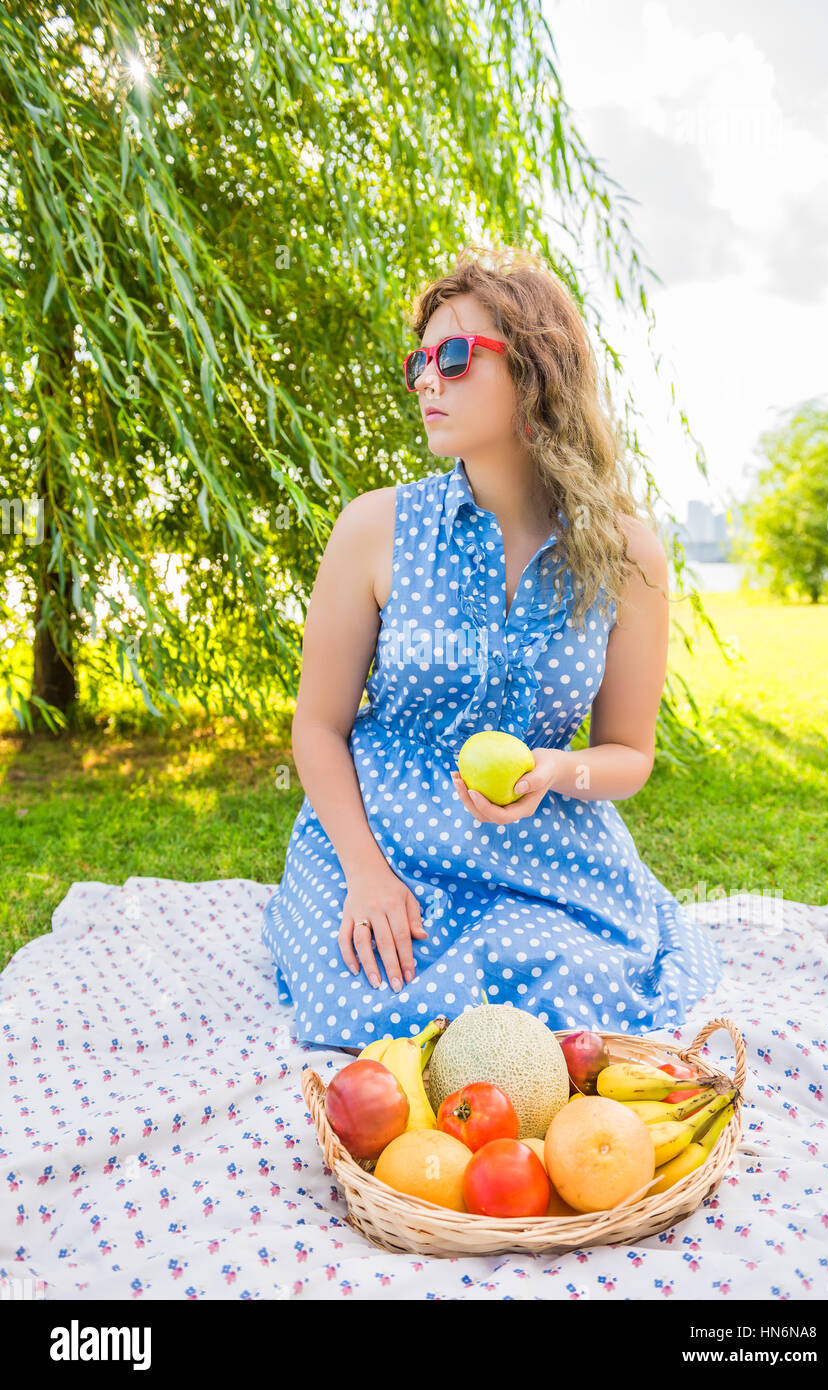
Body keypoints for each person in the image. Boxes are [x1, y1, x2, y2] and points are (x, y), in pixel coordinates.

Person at [261, 244, 723, 1049]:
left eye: (453, 355)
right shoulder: (374, 528)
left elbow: (626, 755)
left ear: (536, 373)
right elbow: (318, 727)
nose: (426, 380)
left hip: (541, 849)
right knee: (370, 997)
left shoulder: (627, 555)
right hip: (380, 836)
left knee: (572, 996)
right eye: (419, 360)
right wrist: (364, 876)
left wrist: (552, 770)